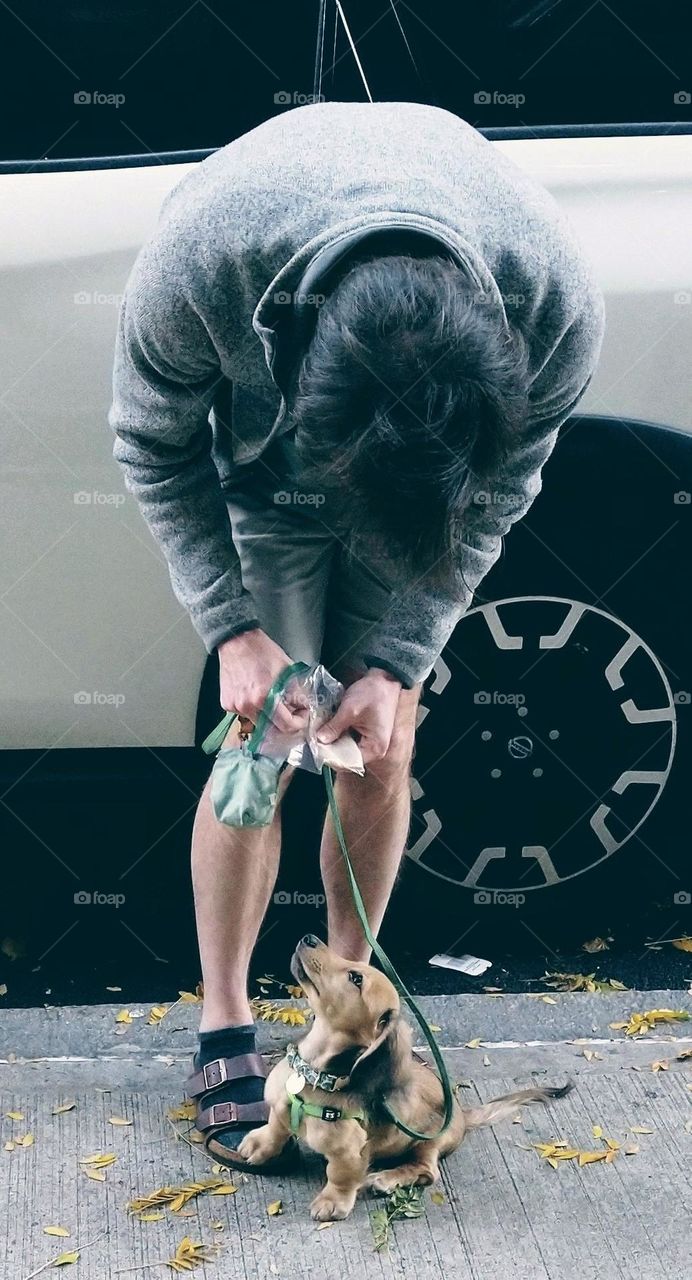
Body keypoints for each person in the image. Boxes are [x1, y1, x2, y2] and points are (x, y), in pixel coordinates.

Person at [108, 100, 605, 1170]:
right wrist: (233, 630)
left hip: (429, 493)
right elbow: (151, 442)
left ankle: (350, 1015)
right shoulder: (207, 258)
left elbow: (508, 481)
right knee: (263, 745)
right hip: (268, 482)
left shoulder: (553, 299)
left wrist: (398, 660)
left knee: (379, 736)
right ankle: (225, 1018)